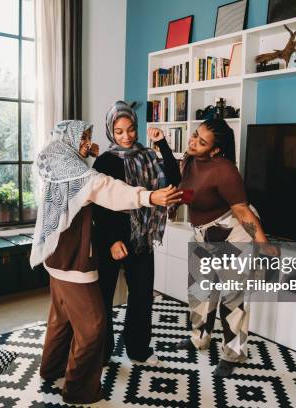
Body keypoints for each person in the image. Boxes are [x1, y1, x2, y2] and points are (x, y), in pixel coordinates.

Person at [30, 120, 181, 404]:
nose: (88, 141)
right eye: (84, 137)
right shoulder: (81, 174)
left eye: (89, 136)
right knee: (93, 326)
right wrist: (149, 196)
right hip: (74, 261)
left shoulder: (52, 159)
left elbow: (90, 175)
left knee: (61, 317)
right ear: (70, 141)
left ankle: (52, 369)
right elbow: (108, 189)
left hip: (55, 255)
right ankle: (79, 391)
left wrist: (86, 152)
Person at [176, 118, 275, 377]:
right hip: (203, 234)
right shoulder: (189, 160)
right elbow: (191, 193)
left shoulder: (225, 170)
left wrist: (264, 245)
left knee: (231, 299)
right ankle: (199, 338)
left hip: (233, 234)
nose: (193, 142)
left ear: (216, 149)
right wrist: (173, 204)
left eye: (202, 141)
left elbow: (242, 211)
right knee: (199, 291)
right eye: (195, 135)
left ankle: (233, 353)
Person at [93, 101, 181, 365]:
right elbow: (98, 205)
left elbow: (174, 178)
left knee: (142, 294)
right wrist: (112, 240)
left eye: (130, 129)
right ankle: (102, 351)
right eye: (119, 131)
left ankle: (138, 349)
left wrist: (163, 144)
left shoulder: (146, 155)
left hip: (142, 234)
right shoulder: (105, 161)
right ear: (111, 131)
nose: (126, 136)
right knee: (104, 297)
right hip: (113, 235)